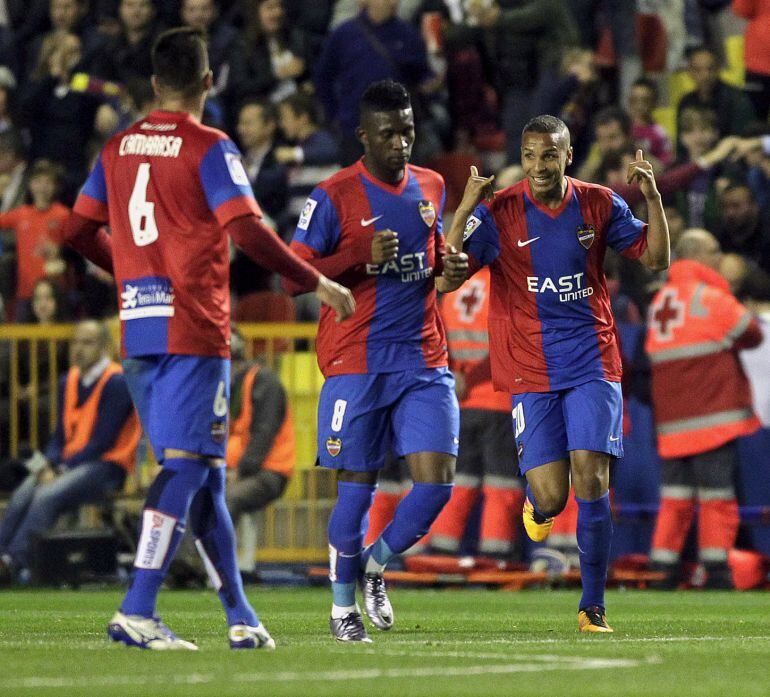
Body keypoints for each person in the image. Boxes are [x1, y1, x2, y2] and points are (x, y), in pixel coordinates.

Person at [61, 27, 354, 651]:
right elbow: (246, 227)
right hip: (194, 326)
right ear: (207, 81)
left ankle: (241, 617)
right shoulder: (208, 145)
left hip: (139, 329)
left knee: (202, 476)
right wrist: (315, 279)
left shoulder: (116, 147)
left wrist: (131, 269)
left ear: (153, 79)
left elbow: (76, 231)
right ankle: (138, 606)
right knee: (190, 466)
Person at [441, 115, 670, 632]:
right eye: (529, 156)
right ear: (521, 159)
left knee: (592, 475)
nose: (539, 166)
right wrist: (464, 210)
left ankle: (593, 607)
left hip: (593, 359)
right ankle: (539, 508)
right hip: (530, 369)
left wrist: (652, 198)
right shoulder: (500, 213)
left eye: (549, 156)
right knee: (551, 496)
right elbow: (446, 277)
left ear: (568, 156)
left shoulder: (600, 203)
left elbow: (656, 257)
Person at [283, 79, 468, 642]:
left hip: (422, 359)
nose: (401, 143)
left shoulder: (432, 185)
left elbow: (435, 263)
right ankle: (342, 609)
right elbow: (293, 274)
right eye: (388, 134)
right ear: (364, 136)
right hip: (354, 361)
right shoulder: (332, 196)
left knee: (435, 486)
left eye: (407, 131)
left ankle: (373, 564)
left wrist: (450, 272)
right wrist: (356, 256)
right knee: (356, 489)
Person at [645, 229, 762, 588]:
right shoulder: (710, 298)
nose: (719, 258)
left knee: (675, 500)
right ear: (695, 256)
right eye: (713, 251)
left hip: (671, 423)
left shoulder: (659, 302)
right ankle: (716, 572)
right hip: (713, 421)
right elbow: (752, 333)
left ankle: (661, 570)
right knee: (717, 499)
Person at [0, 320, 140, 583]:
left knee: (46, 496)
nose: (78, 349)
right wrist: (49, 465)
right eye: (75, 342)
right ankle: (1, 554)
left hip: (107, 467)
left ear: (104, 347)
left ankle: (13, 562)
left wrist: (59, 469)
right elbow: (59, 436)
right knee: (23, 492)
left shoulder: (118, 382)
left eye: (87, 343)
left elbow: (102, 441)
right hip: (69, 465)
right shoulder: (69, 379)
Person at [428, 266, 524, 558]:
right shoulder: (504, 284)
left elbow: (438, 339)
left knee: (459, 483)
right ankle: (495, 556)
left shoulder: (454, 288)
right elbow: (506, 345)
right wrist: (471, 379)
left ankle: (441, 553)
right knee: (501, 484)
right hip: (498, 401)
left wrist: (454, 376)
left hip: (460, 403)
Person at [225, 327, 293, 525]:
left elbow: (264, 434)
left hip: (268, 472)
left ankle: (214, 557)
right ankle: (187, 556)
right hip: (234, 469)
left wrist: (239, 472)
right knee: (191, 492)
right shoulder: (230, 386)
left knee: (227, 499)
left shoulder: (265, 382)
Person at [0, 159, 69, 321]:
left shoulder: (64, 215)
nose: (42, 187)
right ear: (30, 185)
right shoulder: (21, 214)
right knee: (22, 341)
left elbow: (80, 246)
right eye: (37, 181)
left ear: (55, 186)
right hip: (25, 292)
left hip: (55, 292)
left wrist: (60, 249)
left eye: (48, 182)